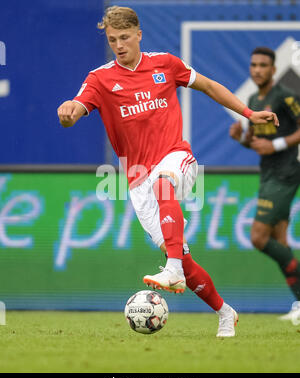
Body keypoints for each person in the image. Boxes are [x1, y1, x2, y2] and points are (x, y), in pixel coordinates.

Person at [57, 7, 279, 337]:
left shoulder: (165, 64)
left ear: (139, 35)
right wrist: (68, 113)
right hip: (137, 178)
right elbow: (77, 108)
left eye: (125, 38)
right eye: (112, 39)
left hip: (176, 157)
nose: (119, 45)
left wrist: (248, 112)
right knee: (183, 257)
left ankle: (171, 267)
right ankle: (224, 311)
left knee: (165, 185)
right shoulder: (100, 78)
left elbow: (209, 86)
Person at [230, 47, 300, 322]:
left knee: (259, 237)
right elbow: (257, 144)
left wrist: (277, 144)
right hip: (268, 172)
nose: (257, 70)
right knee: (280, 241)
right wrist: (241, 139)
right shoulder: (251, 99)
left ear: (273, 70)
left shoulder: (285, 96)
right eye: (254, 65)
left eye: (263, 65)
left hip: (287, 172)